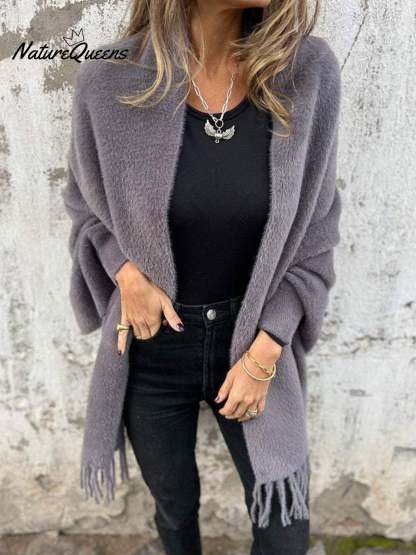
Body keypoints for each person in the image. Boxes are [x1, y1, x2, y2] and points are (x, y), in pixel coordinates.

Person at [62, 1, 342, 554]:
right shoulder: (109, 80)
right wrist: (127, 275)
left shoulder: (306, 72)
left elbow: (316, 234)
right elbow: (85, 206)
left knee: (285, 532)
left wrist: (266, 352)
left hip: (252, 340)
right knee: (174, 507)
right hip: (152, 345)